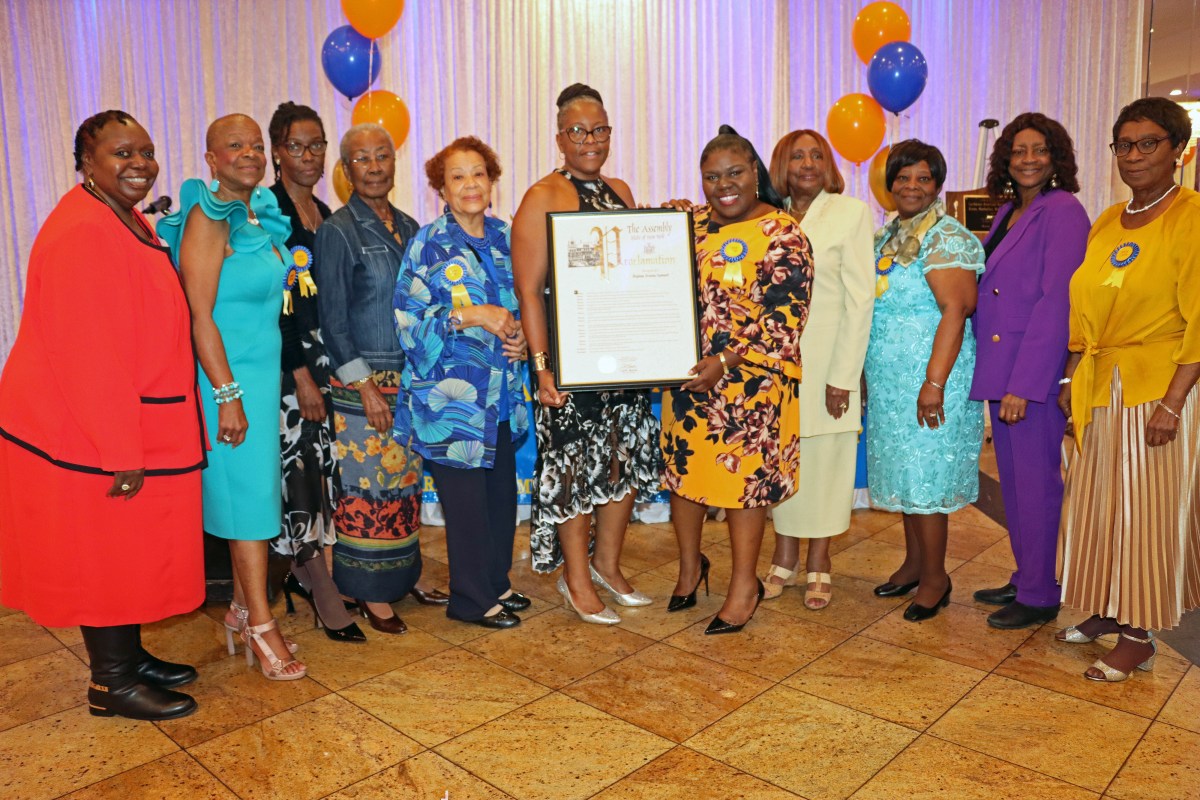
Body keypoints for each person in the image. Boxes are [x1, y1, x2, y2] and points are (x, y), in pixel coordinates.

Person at [0, 110, 203, 719]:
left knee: (127, 548)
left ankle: (129, 655)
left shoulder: (122, 216)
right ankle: (110, 683)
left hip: (130, 414)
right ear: (87, 162)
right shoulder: (83, 231)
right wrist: (119, 451)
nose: (140, 164)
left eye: (146, 151)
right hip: (86, 429)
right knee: (104, 553)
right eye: (122, 153)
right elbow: (88, 355)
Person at [1056, 97, 1200, 682]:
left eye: (1148, 144)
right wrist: (1071, 377)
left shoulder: (1191, 216)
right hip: (1100, 382)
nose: (1134, 155)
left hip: (1159, 385)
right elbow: (1083, 303)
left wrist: (1173, 401)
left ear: (1179, 151)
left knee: (1147, 512)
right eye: (1124, 145)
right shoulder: (1108, 220)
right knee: (1097, 503)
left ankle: (1139, 635)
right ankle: (1106, 608)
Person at [161, 114, 305, 680]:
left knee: (260, 495)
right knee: (248, 505)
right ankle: (262, 625)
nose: (248, 153)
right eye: (233, 145)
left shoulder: (258, 214)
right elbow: (199, 316)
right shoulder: (207, 215)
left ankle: (244, 609)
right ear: (211, 158)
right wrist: (227, 394)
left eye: (254, 144)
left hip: (261, 378)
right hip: (227, 381)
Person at [512, 83, 661, 624]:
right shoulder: (542, 196)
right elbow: (529, 290)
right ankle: (576, 579)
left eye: (599, 130)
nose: (590, 140)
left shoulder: (620, 189)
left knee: (621, 460)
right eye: (578, 131)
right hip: (570, 365)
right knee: (575, 467)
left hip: (621, 357)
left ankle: (608, 565)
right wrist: (541, 367)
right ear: (560, 138)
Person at [660, 131, 814, 634]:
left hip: (751, 385)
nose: (724, 185)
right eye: (712, 176)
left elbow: (785, 316)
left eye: (735, 173)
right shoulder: (690, 226)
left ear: (755, 173)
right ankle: (689, 569)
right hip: (687, 379)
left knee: (743, 487)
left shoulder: (782, 233)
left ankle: (744, 585)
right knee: (684, 478)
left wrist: (725, 361)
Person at [395, 136, 530, 629]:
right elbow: (407, 324)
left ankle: (496, 582)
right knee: (467, 505)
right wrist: (468, 314)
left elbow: (528, 307)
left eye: (478, 173)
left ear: (492, 181)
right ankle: (470, 599)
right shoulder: (428, 244)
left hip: (500, 394)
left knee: (499, 497)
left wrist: (522, 339)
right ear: (442, 190)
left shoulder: (506, 238)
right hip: (449, 401)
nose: (470, 184)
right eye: (458, 176)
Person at [316, 122, 443, 635]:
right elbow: (333, 319)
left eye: (382, 156)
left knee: (405, 486)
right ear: (346, 171)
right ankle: (368, 590)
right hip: (361, 387)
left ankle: (401, 575)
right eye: (361, 159)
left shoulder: (411, 226)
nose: (373, 167)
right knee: (368, 491)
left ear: (394, 163)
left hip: (410, 383)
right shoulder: (337, 231)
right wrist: (365, 386)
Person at [970, 113, 1090, 630]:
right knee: (1016, 485)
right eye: (1019, 150)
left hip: (1029, 378)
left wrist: (1025, 384)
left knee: (1037, 486)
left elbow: (1056, 301)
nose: (1028, 158)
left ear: (1055, 157)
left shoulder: (1062, 211)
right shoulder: (1009, 213)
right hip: (1004, 369)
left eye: (1039, 149)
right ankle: (1027, 575)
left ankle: (1041, 594)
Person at [866, 139, 985, 622]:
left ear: (938, 185)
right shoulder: (885, 237)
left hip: (933, 377)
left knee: (926, 478)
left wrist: (934, 383)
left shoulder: (946, 238)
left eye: (923, 178)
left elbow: (956, 310)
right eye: (903, 177)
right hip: (892, 380)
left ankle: (936, 577)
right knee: (905, 475)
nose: (911, 186)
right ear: (889, 184)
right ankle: (915, 563)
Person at [266, 102, 365, 643]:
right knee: (299, 471)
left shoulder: (324, 212)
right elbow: (275, 305)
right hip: (290, 367)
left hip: (328, 363)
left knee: (324, 468)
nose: (310, 156)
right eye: (297, 146)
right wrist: (300, 375)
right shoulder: (270, 213)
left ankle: (319, 570)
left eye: (318, 145)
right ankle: (314, 581)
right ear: (277, 153)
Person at [764, 128, 874, 610]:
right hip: (776, 371)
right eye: (796, 157)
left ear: (828, 164)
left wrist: (843, 376)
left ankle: (819, 564)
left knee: (827, 465)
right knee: (784, 462)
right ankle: (783, 559)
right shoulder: (767, 218)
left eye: (815, 155)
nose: (806, 164)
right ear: (781, 168)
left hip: (829, 368)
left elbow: (860, 299)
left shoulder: (850, 214)